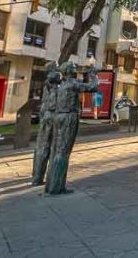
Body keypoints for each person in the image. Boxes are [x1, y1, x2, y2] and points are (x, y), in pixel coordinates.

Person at [45, 62, 98, 195]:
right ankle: (56, 187)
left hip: (58, 116)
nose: (75, 70)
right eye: (74, 69)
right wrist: (94, 75)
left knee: (56, 151)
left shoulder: (61, 86)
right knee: (63, 152)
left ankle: (52, 185)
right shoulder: (72, 84)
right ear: (69, 71)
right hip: (69, 117)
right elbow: (93, 87)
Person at [31, 62, 61, 186]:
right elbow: (54, 103)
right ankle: (41, 176)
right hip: (52, 116)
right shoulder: (55, 87)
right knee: (49, 147)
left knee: (41, 146)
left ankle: (37, 175)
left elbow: (44, 103)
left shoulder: (46, 85)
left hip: (45, 116)